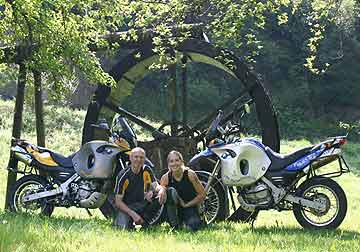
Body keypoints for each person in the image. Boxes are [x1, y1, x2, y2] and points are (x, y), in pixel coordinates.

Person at [113, 147, 167, 229]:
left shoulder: (147, 169)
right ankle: (133, 222)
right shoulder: (123, 175)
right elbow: (118, 202)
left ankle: (148, 223)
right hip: (128, 208)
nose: (138, 159)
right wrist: (132, 214)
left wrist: (162, 189)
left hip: (143, 205)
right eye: (136, 157)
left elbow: (156, 186)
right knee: (122, 229)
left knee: (166, 193)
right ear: (130, 158)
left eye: (141, 157)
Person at [160, 150, 206, 231]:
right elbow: (161, 197)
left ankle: (196, 219)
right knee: (170, 190)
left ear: (181, 161)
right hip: (174, 209)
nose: (174, 163)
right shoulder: (165, 178)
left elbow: (202, 195)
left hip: (190, 206)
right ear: (168, 164)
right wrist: (162, 189)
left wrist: (187, 205)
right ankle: (175, 225)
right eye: (171, 161)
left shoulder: (190, 174)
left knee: (192, 228)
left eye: (177, 160)